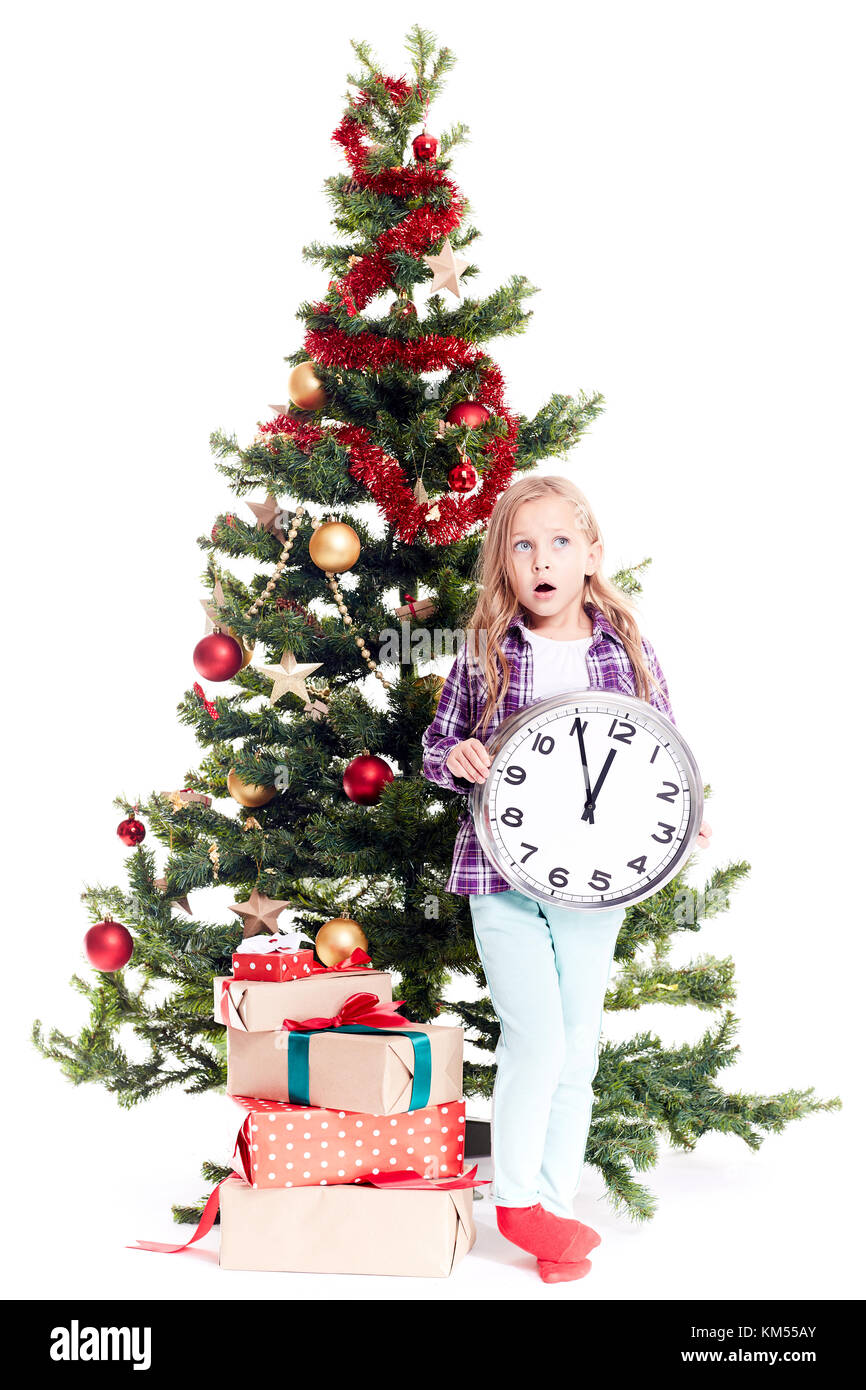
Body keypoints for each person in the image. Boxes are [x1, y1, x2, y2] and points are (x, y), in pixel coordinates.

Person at [421, 474, 712, 1284]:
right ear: (504, 567)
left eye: (558, 542)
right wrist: (458, 758)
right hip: (502, 875)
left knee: (578, 1049)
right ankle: (514, 1201)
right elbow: (434, 747)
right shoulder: (485, 654)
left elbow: (662, 747)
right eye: (522, 546)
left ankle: (554, 1208)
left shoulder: (626, 651)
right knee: (537, 1038)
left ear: (590, 555)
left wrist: (685, 811)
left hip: (594, 883)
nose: (541, 559)